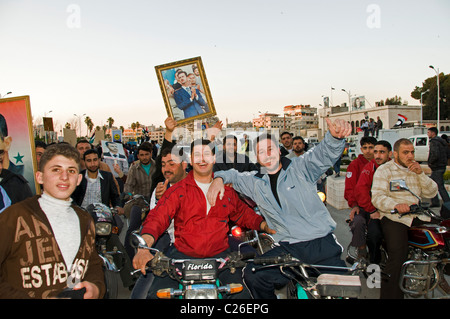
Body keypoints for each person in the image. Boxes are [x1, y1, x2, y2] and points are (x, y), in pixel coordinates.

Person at [207, 118, 352, 299]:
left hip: (321, 243)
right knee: (254, 275)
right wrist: (219, 178)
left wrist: (335, 138)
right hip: (288, 249)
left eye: (270, 149)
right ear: (257, 157)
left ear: (278, 150)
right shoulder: (255, 181)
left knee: (346, 290)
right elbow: (233, 176)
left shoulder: (301, 167)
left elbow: (322, 155)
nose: (267, 155)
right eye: (261, 152)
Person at [133, 139, 275, 299]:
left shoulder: (226, 191)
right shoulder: (177, 191)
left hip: (221, 257)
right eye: (197, 155)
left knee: (244, 298)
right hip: (181, 256)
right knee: (156, 295)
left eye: (207, 154)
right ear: (191, 160)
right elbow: (157, 218)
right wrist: (144, 247)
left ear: (214, 159)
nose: (202, 159)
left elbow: (243, 214)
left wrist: (264, 225)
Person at [0, 143, 105, 298]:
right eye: (56, 170)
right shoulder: (14, 217)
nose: (64, 177)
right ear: (40, 177)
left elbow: (93, 263)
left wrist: (95, 288)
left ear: (79, 179)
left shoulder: (85, 220)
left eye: (71, 171)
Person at [371, 138, 439, 299]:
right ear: (395, 154)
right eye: (405, 152)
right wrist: (396, 205)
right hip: (395, 218)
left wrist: (420, 174)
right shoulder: (384, 170)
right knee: (398, 254)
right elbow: (377, 197)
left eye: (412, 152)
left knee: (443, 235)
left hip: (418, 215)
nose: (410, 156)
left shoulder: (416, 169)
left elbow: (432, 193)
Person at [130, 145, 188, 299]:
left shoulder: (199, 184)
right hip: (169, 244)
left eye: (171, 163)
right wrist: (159, 200)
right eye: (163, 165)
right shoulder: (160, 189)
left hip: (202, 249)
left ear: (184, 165)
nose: (167, 169)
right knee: (144, 289)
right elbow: (156, 222)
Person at [351, 140, 392, 264]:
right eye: (376, 152)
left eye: (382, 152)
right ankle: (372, 263)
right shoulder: (369, 168)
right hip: (372, 209)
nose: (377, 155)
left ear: (390, 154)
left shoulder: (395, 167)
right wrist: (371, 209)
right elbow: (360, 190)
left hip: (393, 210)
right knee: (373, 235)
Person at [344, 136, 377, 258]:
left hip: (381, 205)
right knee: (357, 222)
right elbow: (350, 188)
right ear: (361, 149)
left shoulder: (383, 163)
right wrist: (354, 205)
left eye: (371, 148)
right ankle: (362, 250)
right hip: (361, 205)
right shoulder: (354, 165)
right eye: (365, 148)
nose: (368, 151)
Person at [123, 141, 156, 259]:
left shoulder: (157, 166)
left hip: (155, 203)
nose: (144, 157)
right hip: (139, 202)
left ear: (151, 154)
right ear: (138, 156)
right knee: (132, 228)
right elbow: (128, 185)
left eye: (146, 154)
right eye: (141, 155)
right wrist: (129, 194)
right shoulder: (134, 167)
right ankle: (128, 255)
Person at [71, 149, 123, 213]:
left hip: (103, 215)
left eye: (95, 160)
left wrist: (117, 206)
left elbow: (115, 196)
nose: (92, 164)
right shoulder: (78, 177)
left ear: (99, 160)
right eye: (89, 161)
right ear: (84, 162)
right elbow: (72, 197)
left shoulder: (107, 176)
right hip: (82, 214)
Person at [427, 127, 450, 211]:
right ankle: (436, 201)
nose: (427, 134)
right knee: (434, 185)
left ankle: (447, 203)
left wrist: (430, 162)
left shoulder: (434, 142)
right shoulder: (442, 142)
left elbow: (435, 154)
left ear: (433, 133)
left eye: (428, 132)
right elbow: (448, 154)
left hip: (437, 167)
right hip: (442, 166)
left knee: (438, 186)